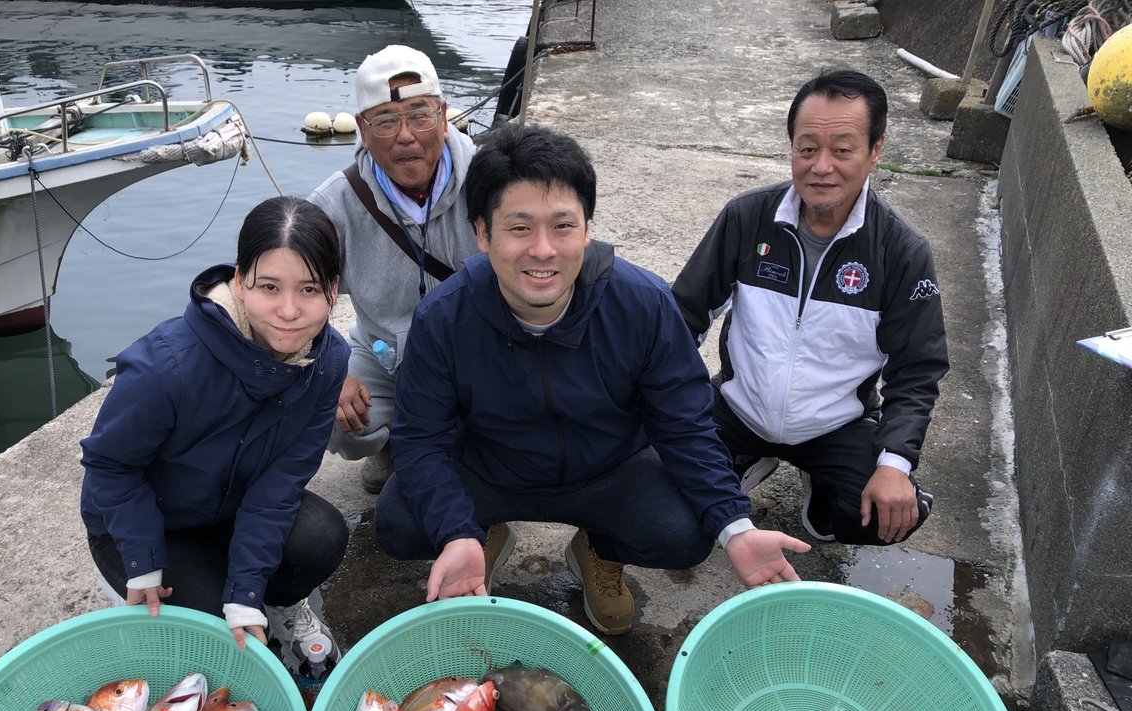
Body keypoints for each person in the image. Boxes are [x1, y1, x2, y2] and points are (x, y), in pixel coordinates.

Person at [374, 124, 809, 637]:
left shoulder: (644, 304)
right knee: (400, 521)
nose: (543, 250)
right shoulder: (444, 315)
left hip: (608, 470)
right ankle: (478, 535)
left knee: (689, 530)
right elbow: (420, 438)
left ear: (587, 230)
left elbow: (685, 425)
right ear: (483, 234)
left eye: (563, 226)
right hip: (492, 467)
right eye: (519, 228)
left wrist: (736, 526)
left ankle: (599, 549)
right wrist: (454, 531)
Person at [81, 196, 351, 691]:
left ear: (334, 290)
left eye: (310, 289)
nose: (289, 311)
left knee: (322, 536)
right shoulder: (167, 365)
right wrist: (141, 561)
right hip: (149, 522)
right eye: (269, 287)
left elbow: (282, 482)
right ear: (240, 280)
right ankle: (145, 592)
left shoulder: (328, 362)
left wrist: (246, 590)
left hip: (232, 508)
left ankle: (279, 607)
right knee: (210, 634)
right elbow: (111, 466)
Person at [672, 69, 948, 546]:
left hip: (837, 424)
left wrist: (895, 464)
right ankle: (744, 458)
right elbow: (683, 317)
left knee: (883, 517)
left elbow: (917, 369)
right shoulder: (746, 218)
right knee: (669, 507)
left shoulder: (901, 249)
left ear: (875, 150)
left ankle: (824, 489)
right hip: (738, 410)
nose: (821, 167)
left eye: (842, 150)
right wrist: (663, 405)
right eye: (807, 149)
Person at [309, 44, 480, 494]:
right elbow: (292, 295)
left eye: (420, 115)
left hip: (480, 356)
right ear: (363, 131)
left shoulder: (490, 178)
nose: (406, 136)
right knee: (334, 417)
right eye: (385, 121)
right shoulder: (332, 204)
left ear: (444, 116)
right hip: (386, 357)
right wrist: (328, 367)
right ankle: (393, 439)